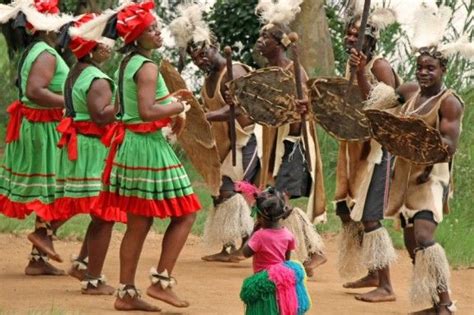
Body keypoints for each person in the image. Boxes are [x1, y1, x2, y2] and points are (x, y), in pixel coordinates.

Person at [97, 2, 201, 311]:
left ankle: (126, 294)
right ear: (136, 37)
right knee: (186, 212)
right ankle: (161, 282)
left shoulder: (127, 64)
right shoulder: (148, 66)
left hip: (130, 145)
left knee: (138, 223)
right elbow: (146, 112)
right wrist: (177, 106)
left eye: (157, 27)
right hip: (148, 147)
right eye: (151, 29)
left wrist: (165, 101)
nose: (158, 32)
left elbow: (126, 108)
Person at [371, 4, 468, 313]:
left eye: (431, 68)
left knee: (425, 237)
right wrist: (362, 71)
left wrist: (415, 137)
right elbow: (377, 106)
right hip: (404, 174)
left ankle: (447, 304)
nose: (424, 73)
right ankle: (435, 303)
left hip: (431, 177)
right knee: (413, 243)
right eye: (421, 67)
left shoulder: (449, 102)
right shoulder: (410, 90)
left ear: (443, 70)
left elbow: (448, 145)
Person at [169, 4, 258, 263]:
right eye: (195, 58)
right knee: (220, 193)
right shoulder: (209, 79)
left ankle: (247, 244)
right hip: (223, 146)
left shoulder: (235, 71)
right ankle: (228, 246)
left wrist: (204, 116)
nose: (200, 60)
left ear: (214, 45)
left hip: (246, 140)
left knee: (232, 193)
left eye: (203, 53)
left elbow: (242, 111)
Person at [254, 0, 327, 277]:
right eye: (261, 35)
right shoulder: (268, 73)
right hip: (274, 144)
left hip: (292, 145)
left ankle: (315, 252)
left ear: (280, 43)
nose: (260, 41)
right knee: (272, 197)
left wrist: (288, 150)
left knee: (281, 201)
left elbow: (301, 113)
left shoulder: (294, 71)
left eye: (266, 37)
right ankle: (280, 252)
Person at [54, 13, 125, 295]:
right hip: (92, 149)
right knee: (104, 215)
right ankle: (92, 279)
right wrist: (124, 101)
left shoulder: (77, 71)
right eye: (104, 43)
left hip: (82, 146)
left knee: (99, 214)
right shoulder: (97, 78)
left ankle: (83, 263)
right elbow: (100, 116)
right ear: (93, 49)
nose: (109, 47)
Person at [0, 0, 72, 275]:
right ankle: (44, 238)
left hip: (39, 127)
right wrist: (69, 102)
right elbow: (34, 90)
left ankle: (37, 259)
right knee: (66, 190)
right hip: (42, 131)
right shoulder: (46, 54)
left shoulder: (39, 49)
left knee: (50, 191)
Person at [334, 7, 400, 302]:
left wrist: (361, 72)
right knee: (348, 211)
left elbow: (381, 107)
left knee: (371, 216)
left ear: (370, 40)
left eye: (356, 34)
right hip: (355, 148)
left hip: (378, 152)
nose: (351, 38)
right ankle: (373, 272)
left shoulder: (379, 65)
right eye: (348, 33)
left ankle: (386, 285)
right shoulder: (352, 65)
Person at [240, 187, 311, 314]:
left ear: (259, 218)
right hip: (281, 281)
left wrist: (253, 232)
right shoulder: (288, 235)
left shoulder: (259, 236)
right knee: (280, 309)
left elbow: (245, 253)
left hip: (263, 282)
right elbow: (286, 260)